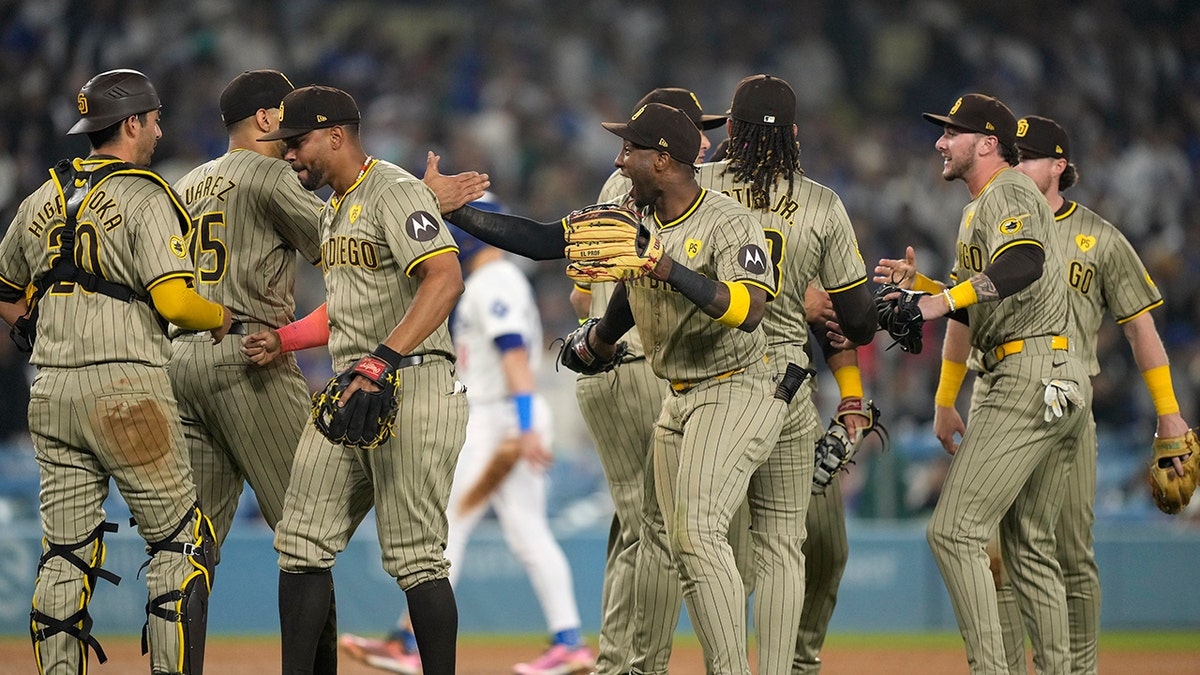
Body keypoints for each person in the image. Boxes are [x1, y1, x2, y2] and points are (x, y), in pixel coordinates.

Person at [0, 68, 231, 674]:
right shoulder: (147, 194)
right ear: (130, 124)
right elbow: (177, 301)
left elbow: (4, 288)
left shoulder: (40, 198)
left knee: (66, 553)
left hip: (49, 391)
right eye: (152, 120)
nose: (158, 130)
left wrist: (29, 323)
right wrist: (220, 318)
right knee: (180, 543)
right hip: (126, 389)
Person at [239, 85, 468, 675]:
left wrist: (382, 359)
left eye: (297, 143)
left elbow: (444, 280)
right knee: (299, 541)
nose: (288, 155)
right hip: (352, 384)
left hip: (414, 382)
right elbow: (348, 307)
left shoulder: (394, 190)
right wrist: (284, 339)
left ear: (335, 135)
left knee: (416, 558)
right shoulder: (336, 207)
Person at [877, 93, 1090, 674]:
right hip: (1051, 375)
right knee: (1028, 552)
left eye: (952, 132)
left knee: (952, 533)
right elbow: (973, 307)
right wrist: (945, 395)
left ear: (989, 143)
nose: (940, 142)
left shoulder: (1010, 190)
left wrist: (936, 299)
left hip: (1028, 374)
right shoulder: (978, 208)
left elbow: (1024, 264)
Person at [339, 197, 595, 675]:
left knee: (448, 522)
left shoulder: (493, 281)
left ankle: (408, 641)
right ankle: (570, 640)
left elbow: (514, 353)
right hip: (505, 416)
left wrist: (521, 424)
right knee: (527, 533)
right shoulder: (498, 280)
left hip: (499, 419)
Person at [992, 115, 1190, 673]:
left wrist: (1170, 416)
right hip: (1002, 400)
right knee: (997, 552)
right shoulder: (993, 225)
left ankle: (1077, 670)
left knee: (1072, 551)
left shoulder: (1101, 237)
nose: (1017, 166)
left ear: (1059, 165)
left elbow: (1141, 329)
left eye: (1028, 156)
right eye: (1011, 156)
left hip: (1069, 408)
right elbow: (965, 310)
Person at [568, 86, 732, 675]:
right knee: (652, 528)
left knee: (634, 527)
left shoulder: (632, 185)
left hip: (612, 357)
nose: (707, 137)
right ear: (670, 143)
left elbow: (581, 285)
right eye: (698, 126)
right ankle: (628, 665)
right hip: (632, 361)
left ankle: (617, 660)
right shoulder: (645, 188)